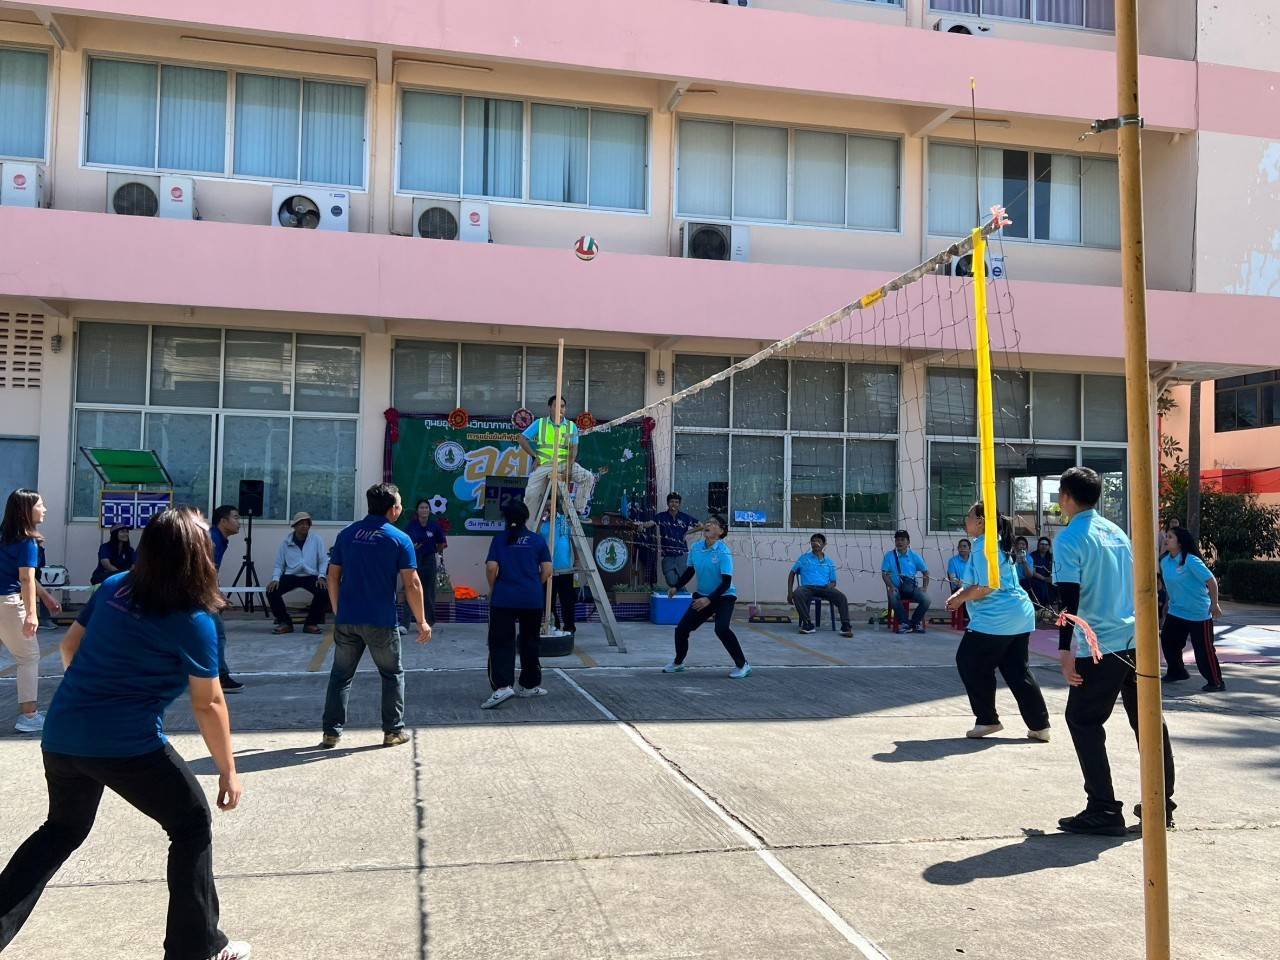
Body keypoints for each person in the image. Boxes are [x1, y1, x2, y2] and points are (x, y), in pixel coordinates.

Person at [0, 507, 249, 960]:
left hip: (63, 732)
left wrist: (93, 698)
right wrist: (228, 770)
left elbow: (70, 647)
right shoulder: (195, 619)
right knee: (191, 824)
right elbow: (209, 703)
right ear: (198, 555)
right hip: (126, 743)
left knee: (60, 830)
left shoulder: (115, 586)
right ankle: (197, 949)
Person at [1054, 466, 1176, 836]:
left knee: (1082, 719)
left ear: (1066, 497)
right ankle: (1161, 804)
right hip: (1136, 640)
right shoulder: (1116, 531)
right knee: (1148, 720)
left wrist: (1064, 650)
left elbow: (1068, 598)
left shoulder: (1070, 537)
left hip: (1101, 644)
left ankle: (1104, 809)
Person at [322, 483, 430, 748]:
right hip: (381, 620)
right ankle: (393, 731)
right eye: (400, 504)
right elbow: (412, 583)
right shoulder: (399, 539)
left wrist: (338, 610)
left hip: (347, 618)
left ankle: (331, 733)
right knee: (392, 674)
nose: (401, 508)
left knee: (340, 676)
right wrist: (421, 621)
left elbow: (332, 576)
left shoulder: (347, 534)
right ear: (392, 509)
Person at [946, 503, 1051, 742]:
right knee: (1016, 670)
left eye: (969, 516)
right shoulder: (996, 541)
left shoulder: (984, 546)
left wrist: (959, 599)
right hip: (1019, 615)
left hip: (997, 618)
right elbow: (979, 582)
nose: (965, 520)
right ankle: (1040, 726)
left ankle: (987, 720)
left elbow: (987, 587)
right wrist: (960, 594)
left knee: (969, 662)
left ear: (981, 521)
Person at [483, 500, 553, 709]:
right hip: (532, 599)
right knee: (530, 641)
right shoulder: (537, 540)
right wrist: (533, 584)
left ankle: (503, 686)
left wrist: (493, 587)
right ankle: (529, 685)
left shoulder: (499, 540)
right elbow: (547, 570)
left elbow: (491, 567)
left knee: (501, 642)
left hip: (503, 599)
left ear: (505, 518)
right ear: (526, 517)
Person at [664, 515, 751, 678]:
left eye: (713, 523)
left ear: (721, 531)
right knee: (682, 629)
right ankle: (678, 662)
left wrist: (709, 599)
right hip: (703, 596)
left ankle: (743, 665)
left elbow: (726, 583)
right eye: (708, 522)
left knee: (721, 629)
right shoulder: (696, 548)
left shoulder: (724, 552)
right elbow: (690, 571)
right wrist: (676, 586)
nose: (708, 524)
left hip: (724, 596)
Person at [0, 489, 51, 733]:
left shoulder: (4, 537)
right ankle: (29, 717)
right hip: (9, 604)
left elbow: (24, 576)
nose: (44, 509)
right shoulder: (27, 541)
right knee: (28, 657)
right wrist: (32, 613)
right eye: (40, 505)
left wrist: (46, 596)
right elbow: (25, 578)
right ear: (26, 511)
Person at [1159, 526, 1225, 692]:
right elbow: (1171, 585)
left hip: (1198, 613)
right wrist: (1167, 602)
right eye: (1166, 536)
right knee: (1168, 640)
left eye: (1171, 537)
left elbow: (1211, 581)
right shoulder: (1164, 561)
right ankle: (1177, 672)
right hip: (1176, 611)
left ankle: (1216, 682)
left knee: (1204, 650)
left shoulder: (1191, 560)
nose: (1166, 539)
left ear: (1180, 543)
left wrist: (1214, 603)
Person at [518, 394, 597, 524]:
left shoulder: (571, 426)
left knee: (588, 477)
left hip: (565, 464)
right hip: (544, 465)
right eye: (556, 406)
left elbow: (574, 449)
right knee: (531, 495)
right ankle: (526, 526)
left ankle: (578, 512)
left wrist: (569, 467)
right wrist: (534, 456)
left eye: (563, 406)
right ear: (550, 407)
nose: (560, 409)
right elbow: (521, 439)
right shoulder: (540, 423)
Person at [265, 512, 330, 635]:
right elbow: (279, 564)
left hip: (311, 575)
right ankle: (284, 622)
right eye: (301, 524)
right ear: (294, 526)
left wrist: (322, 576)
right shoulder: (286, 542)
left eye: (307, 524)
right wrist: (275, 579)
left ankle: (311, 623)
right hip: (291, 575)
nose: (304, 526)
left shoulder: (316, 539)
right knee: (271, 591)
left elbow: (323, 560)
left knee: (324, 591)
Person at [786, 533, 853, 638]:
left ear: (824, 544)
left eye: (818, 541)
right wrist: (790, 592)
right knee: (797, 593)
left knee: (841, 597)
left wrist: (830, 587)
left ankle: (845, 626)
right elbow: (792, 573)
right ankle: (808, 624)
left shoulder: (829, 562)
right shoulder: (804, 558)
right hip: (807, 588)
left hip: (824, 588)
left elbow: (833, 581)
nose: (815, 543)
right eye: (813, 541)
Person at [208, 505, 243, 693]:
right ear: (223, 521)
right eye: (235, 518)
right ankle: (220, 676)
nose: (239, 522)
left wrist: (218, 594)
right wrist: (215, 596)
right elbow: (206, 572)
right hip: (191, 591)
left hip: (194, 590)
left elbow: (212, 572)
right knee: (216, 633)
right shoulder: (212, 539)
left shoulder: (218, 538)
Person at [638, 493, 703, 589]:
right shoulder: (661, 516)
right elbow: (651, 523)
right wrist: (642, 525)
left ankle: (680, 594)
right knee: (671, 581)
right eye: (672, 501)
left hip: (682, 554)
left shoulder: (684, 517)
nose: (674, 504)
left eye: (676, 502)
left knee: (682, 580)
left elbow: (701, 526)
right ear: (668, 503)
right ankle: (678, 590)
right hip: (667, 554)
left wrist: (687, 533)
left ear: (679, 504)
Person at [404, 498, 447, 629]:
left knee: (428, 592)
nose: (424, 510)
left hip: (429, 559)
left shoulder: (434, 526)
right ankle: (404, 624)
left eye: (426, 508)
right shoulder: (411, 526)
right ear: (417, 511)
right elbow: (405, 543)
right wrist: (413, 548)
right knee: (410, 589)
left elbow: (441, 543)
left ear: (430, 510)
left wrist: (435, 551)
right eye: (421, 508)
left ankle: (428, 622)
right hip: (414, 560)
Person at [881, 530, 931, 634]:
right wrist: (891, 586)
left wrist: (924, 587)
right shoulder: (889, 556)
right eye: (897, 540)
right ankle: (905, 623)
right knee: (892, 595)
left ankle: (914, 623)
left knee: (927, 599)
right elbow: (884, 574)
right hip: (896, 588)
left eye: (902, 540)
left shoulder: (914, 556)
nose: (899, 542)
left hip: (911, 589)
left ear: (908, 542)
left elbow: (926, 572)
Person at [539, 509, 576, 636]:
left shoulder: (564, 521)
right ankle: (553, 625)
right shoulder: (542, 523)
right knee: (548, 601)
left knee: (567, 600)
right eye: (547, 506)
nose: (549, 509)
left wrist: (576, 561)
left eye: (551, 506)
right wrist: (542, 519)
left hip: (565, 569)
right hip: (547, 569)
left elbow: (573, 540)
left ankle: (569, 627)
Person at [1025, 535, 1057, 612]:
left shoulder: (1051, 557)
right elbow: (1033, 572)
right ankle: (1041, 608)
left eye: (1046, 544)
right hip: (1035, 579)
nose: (1044, 546)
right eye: (1042, 544)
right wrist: (1045, 579)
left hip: (1048, 579)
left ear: (1049, 546)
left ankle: (1052, 607)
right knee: (1042, 585)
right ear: (1038, 545)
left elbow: (1054, 570)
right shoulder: (1033, 556)